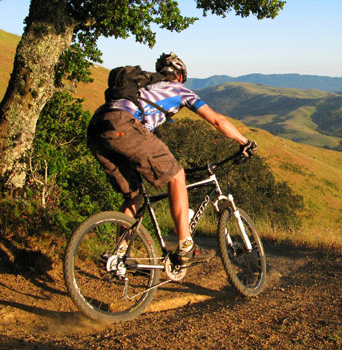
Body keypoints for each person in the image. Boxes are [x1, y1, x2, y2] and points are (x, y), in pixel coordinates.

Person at [87, 52, 257, 266]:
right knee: (177, 175)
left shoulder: (142, 89)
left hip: (96, 129)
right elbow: (216, 119)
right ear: (179, 76)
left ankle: (120, 254)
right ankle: (186, 246)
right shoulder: (179, 90)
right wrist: (244, 142)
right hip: (125, 126)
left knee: (134, 195)